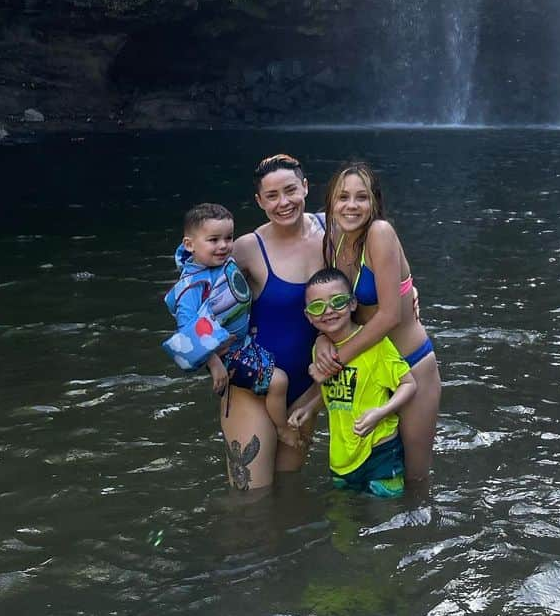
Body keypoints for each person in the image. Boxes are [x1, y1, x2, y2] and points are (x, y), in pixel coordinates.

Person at [312, 161, 441, 484]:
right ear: (330, 203)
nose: (351, 205)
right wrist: (322, 339)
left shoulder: (380, 233)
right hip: (369, 374)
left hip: (410, 369)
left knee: (415, 478)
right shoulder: (333, 240)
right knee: (374, 472)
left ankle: (417, 534)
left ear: (375, 204)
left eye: (361, 197)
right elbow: (337, 306)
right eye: (343, 197)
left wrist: (335, 360)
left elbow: (389, 315)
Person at [220, 153, 327, 492]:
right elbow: (194, 297)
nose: (284, 203)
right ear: (259, 201)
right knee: (250, 499)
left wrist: (408, 288)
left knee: (290, 488)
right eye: (272, 196)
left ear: (306, 187)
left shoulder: (334, 231)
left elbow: (377, 268)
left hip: (309, 386)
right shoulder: (247, 248)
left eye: (291, 190)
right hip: (253, 386)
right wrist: (212, 360)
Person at [162, 202, 297, 453]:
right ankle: (282, 429)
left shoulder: (218, 265)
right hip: (225, 354)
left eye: (228, 238)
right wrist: (214, 365)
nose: (223, 246)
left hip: (242, 342)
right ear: (190, 244)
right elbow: (187, 333)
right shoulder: (191, 288)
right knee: (279, 381)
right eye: (213, 240)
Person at [288, 267, 416, 497]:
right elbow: (337, 391)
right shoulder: (320, 351)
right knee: (343, 521)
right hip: (342, 457)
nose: (328, 311)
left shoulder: (375, 344)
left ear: (352, 304)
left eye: (337, 301)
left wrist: (381, 412)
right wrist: (309, 409)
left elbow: (408, 384)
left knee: (386, 521)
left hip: (381, 451)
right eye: (317, 307)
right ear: (308, 315)